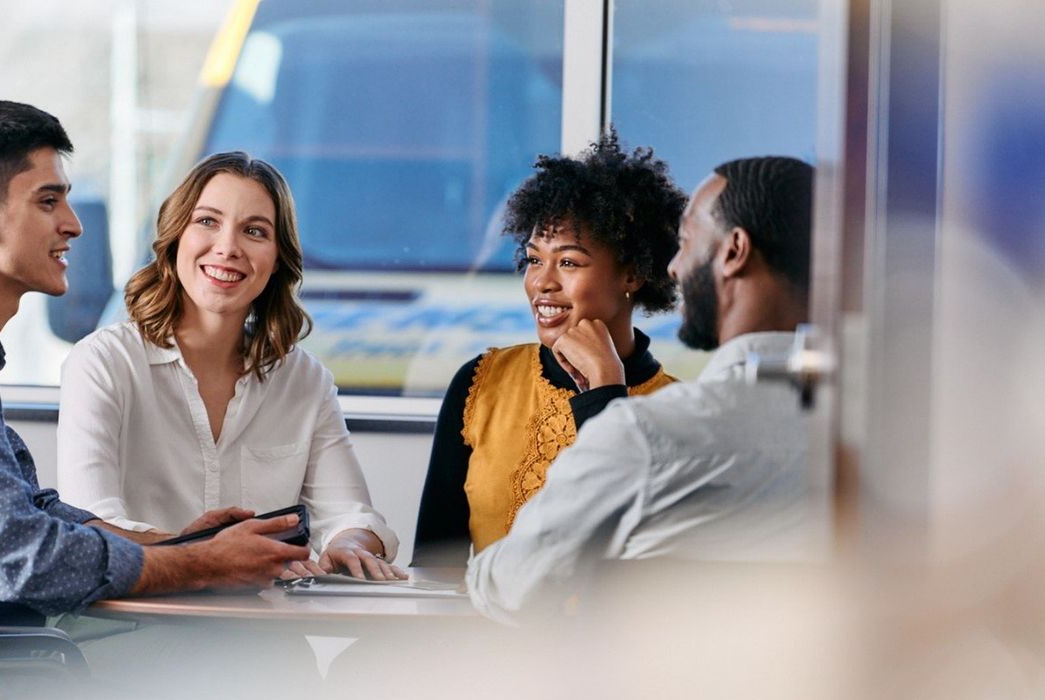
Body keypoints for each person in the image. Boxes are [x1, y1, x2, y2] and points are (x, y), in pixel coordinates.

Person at [0, 101, 312, 662]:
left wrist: (175, 543)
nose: (74, 223)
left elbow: (29, 507)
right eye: (48, 201)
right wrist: (201, 564)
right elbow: (19, 563)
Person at [467, 156, 821, 623]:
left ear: (734, 250)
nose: (674, 268)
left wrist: (605, 403)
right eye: (534, 259)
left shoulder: (648, 432)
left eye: (688, 242)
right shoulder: (875, 431)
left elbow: (514, 586)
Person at [56, 152, 403, 581]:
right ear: (175, 236)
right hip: (132, 631)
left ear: (277, 259)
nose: (228, 248)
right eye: (207, 221)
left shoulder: (304, 379)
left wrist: (348, 543)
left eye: (254, 231)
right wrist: (210, 557)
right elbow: (90, 525)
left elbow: (350, 513)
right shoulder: (103, 362)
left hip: (265, 634)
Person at [412, 131, 688, 566]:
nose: (542, 282)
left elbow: (623, 555)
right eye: (535, 258)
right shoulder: (481, 381)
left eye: (569, 262)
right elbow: (433, 564)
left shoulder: (676, 411)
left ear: (633, 274)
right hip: (477, 633)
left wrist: (605, 393)